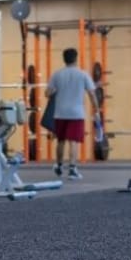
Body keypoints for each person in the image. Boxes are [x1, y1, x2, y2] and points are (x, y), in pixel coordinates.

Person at [45, 48, 98, 179]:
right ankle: (72, 169)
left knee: (60, 141)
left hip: (60, 113)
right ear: (76, 58)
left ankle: (58, 165)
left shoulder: (57, 75)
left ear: (64, 59)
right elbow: (92, 93)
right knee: (73, 141)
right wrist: (96, 109)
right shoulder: (83, 74)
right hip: (76, 113)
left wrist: (56, 91)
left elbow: (47, 93)